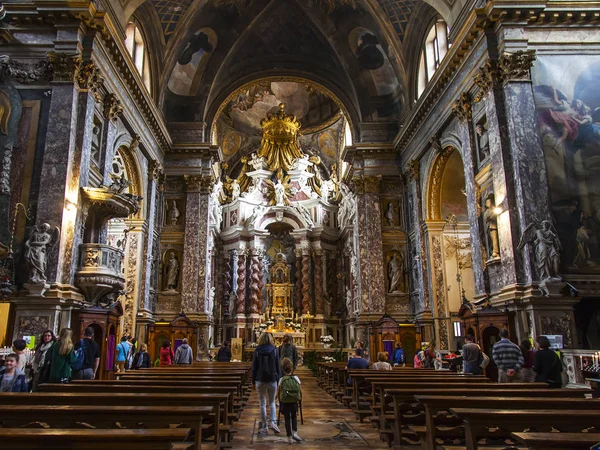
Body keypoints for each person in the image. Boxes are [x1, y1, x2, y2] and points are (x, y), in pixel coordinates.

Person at [252, 332, 281, 436]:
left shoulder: (257, 350)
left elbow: (254, 367)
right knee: (272, 402)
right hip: (272, 379)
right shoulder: (274, 350)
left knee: (262, 404)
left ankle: (264, 426)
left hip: (260, 379)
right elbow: (278, 366)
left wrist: (253, 380)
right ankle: (273, 422)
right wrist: (279, 380)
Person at [278, 357, 302, 444]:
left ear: (283, 369)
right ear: (292, 368)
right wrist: (299, 399)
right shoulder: (296, 378)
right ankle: (295, 432)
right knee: (294, 416)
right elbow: (300, 390)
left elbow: (279, 391)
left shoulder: (281, 380)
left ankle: (289, 436)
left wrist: (279, 400)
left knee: (287, 418)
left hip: (285, 401)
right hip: (294, 401)